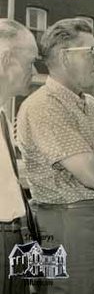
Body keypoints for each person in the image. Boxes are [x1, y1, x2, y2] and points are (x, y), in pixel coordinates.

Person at [17, 18, 94, 294]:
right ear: (64, 57)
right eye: (91, 52)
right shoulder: (42, 106)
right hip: (67, 230)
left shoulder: (92, 105)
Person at [0, 19, 39, 294]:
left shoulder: (2, 116)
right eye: (29, 62)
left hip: (16, 236)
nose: (35, 72)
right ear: (4, 59)